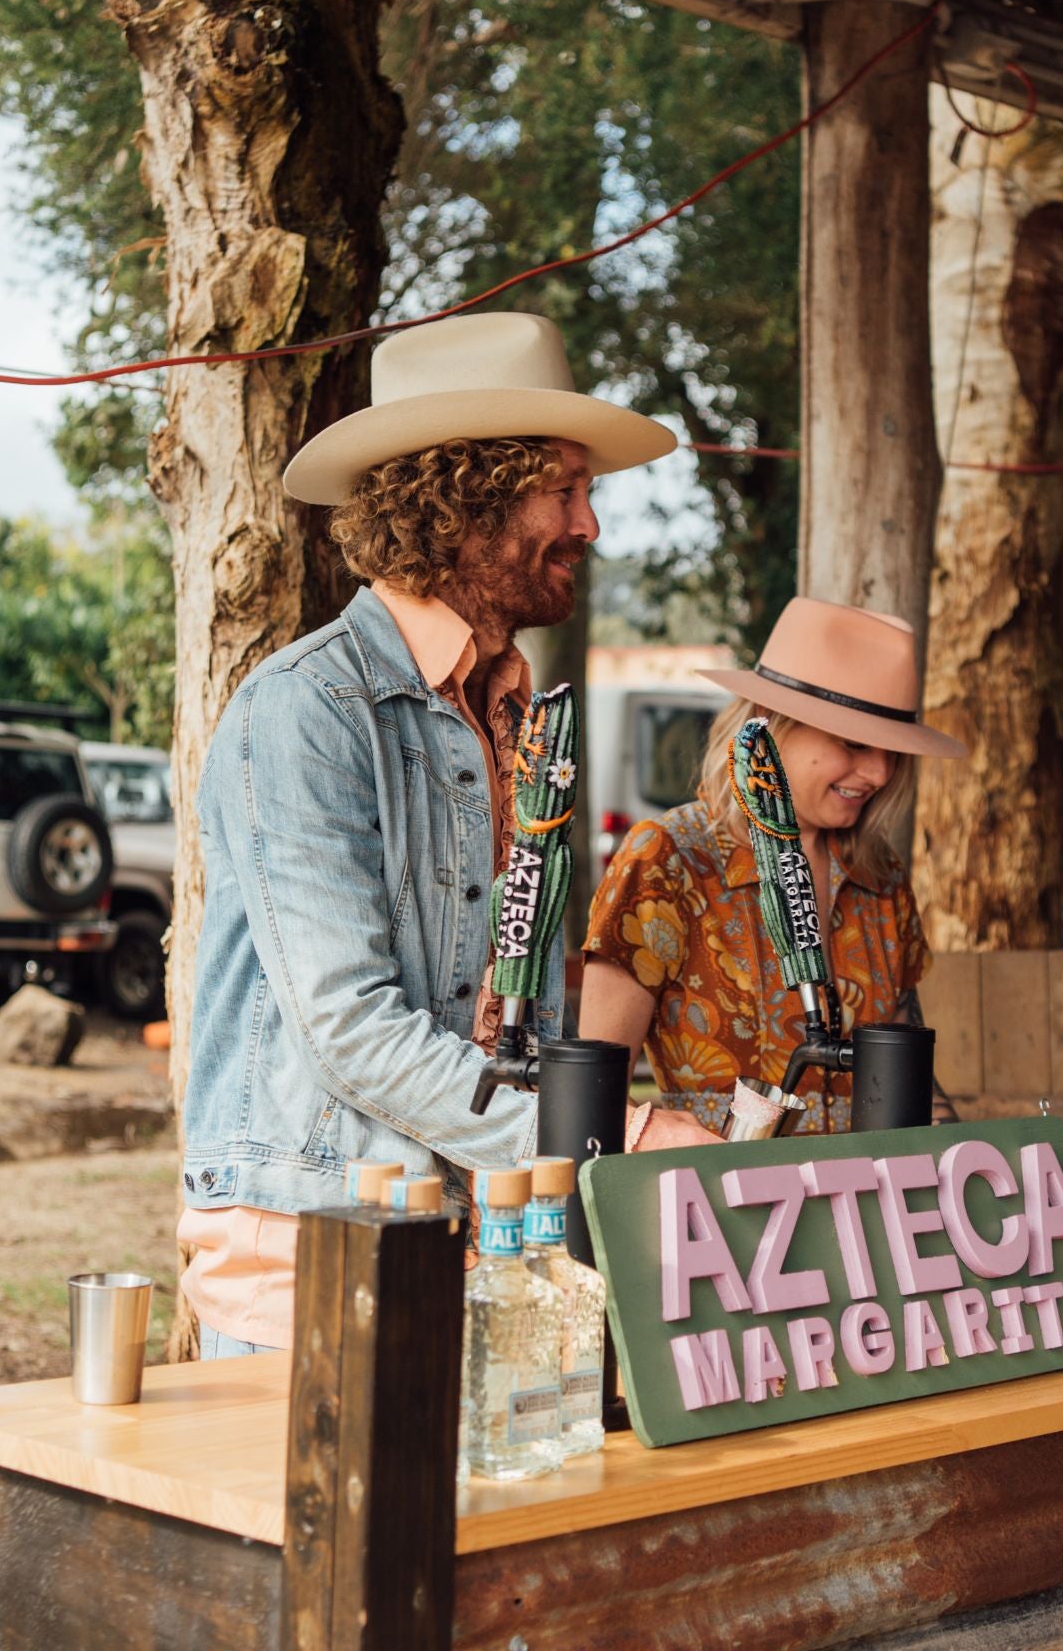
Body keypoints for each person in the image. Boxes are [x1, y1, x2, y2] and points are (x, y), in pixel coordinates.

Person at [176, 309, 703, 1359]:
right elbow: (349, 1024)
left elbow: (512, 1018)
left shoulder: (516, 717)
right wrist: (606, 1134)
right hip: (318, 1259)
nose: (589, 524)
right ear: (468, 495)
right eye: (565, 488)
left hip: (486, 1245)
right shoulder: (307, 709)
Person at [579, 598, 960, 1137]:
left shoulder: (882, 876)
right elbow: (592, 1098)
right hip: (717, 1206)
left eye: (892, 751)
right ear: (768, 726)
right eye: (854, 744)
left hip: (865, 1210)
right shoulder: (669, 858)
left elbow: (910, 1081)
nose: (878, 772)